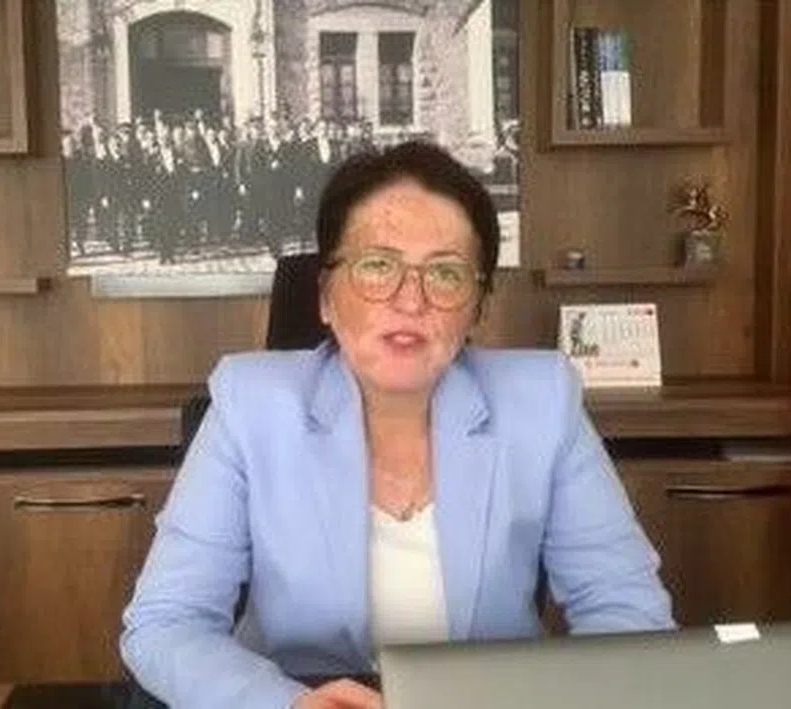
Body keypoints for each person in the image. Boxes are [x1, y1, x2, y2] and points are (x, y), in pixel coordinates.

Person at [120, 141, 675, 709]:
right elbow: (166, 623)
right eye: (378, 266)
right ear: (326, 297)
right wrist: (287, 705)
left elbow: (629, 614)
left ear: (478, 306)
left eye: (446, 273)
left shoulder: (543, 402)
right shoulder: (250, 405)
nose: (410, 301)